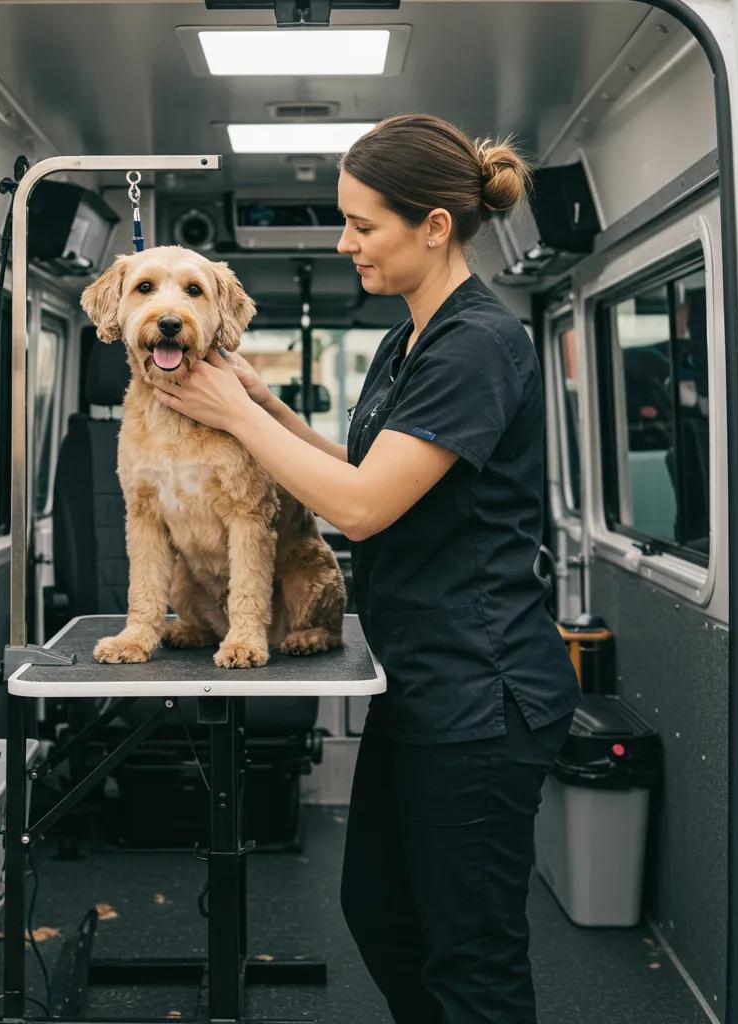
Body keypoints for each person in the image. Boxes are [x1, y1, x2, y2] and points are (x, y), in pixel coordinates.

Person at [152, 113, 582, 1024]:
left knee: (471, 957)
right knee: (382, 914)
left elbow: (357, 507)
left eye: (362, 225)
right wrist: (262, 399)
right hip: (420, 681)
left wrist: (234, 416)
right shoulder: (406, 340)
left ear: (433, 227)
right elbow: (347, 470)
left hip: (483, 694)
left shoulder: (478, 345)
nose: (344, 242)